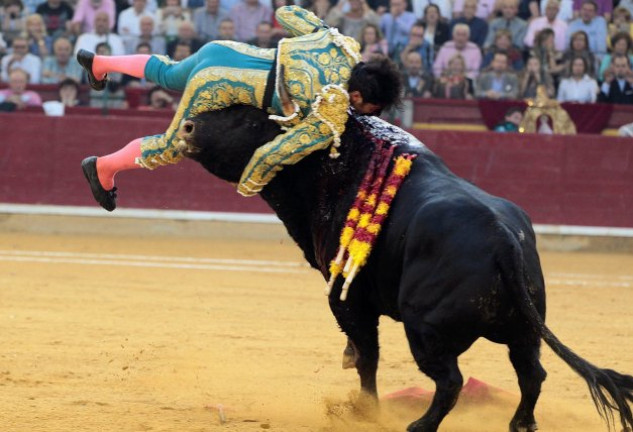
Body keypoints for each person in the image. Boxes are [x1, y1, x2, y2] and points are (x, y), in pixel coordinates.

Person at [77, 5, 403, 211]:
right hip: (217, 82)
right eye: (372, 110)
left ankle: (101, 64)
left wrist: (322, 33)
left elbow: (285, 14)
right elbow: (274, 154)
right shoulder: (330, 110)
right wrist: (248, 185)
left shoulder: (343, 47)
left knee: (168, 72)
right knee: (171, 146)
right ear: (359, 99)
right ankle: (104, 167)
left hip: (222, 50)